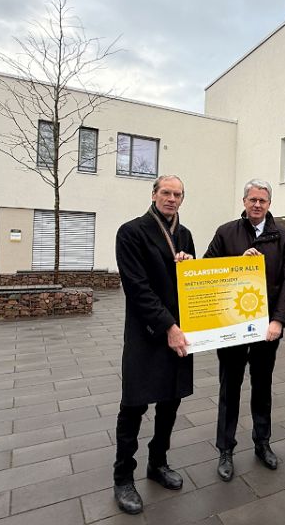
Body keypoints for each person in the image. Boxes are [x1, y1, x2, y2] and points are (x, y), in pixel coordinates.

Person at [112, 175, 195, 515]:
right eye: (166, 192)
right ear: (154, 194)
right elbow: (137, 288)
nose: (171, 198)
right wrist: (168, 327)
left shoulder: (184, 234)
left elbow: (191, 285)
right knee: (134, 406)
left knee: (170, 402)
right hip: (147, 333)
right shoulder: (131, 232)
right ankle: (123, 477)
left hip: (179, 332)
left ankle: (157, 462)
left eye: (177, 194)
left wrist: (189, 269)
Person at [205, 179, 285, 481]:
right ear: (244, 201)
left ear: (269, 204)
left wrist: (279, 320)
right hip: (232, 325)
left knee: (262, 387)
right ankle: (225, 449)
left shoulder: (282, 235)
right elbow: (207, 270)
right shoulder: (226, 232)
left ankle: (262, 443)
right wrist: (236, 264)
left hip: (266, 328)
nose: (257, 204)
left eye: (262, 200)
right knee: (229, 388)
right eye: (252, 199)